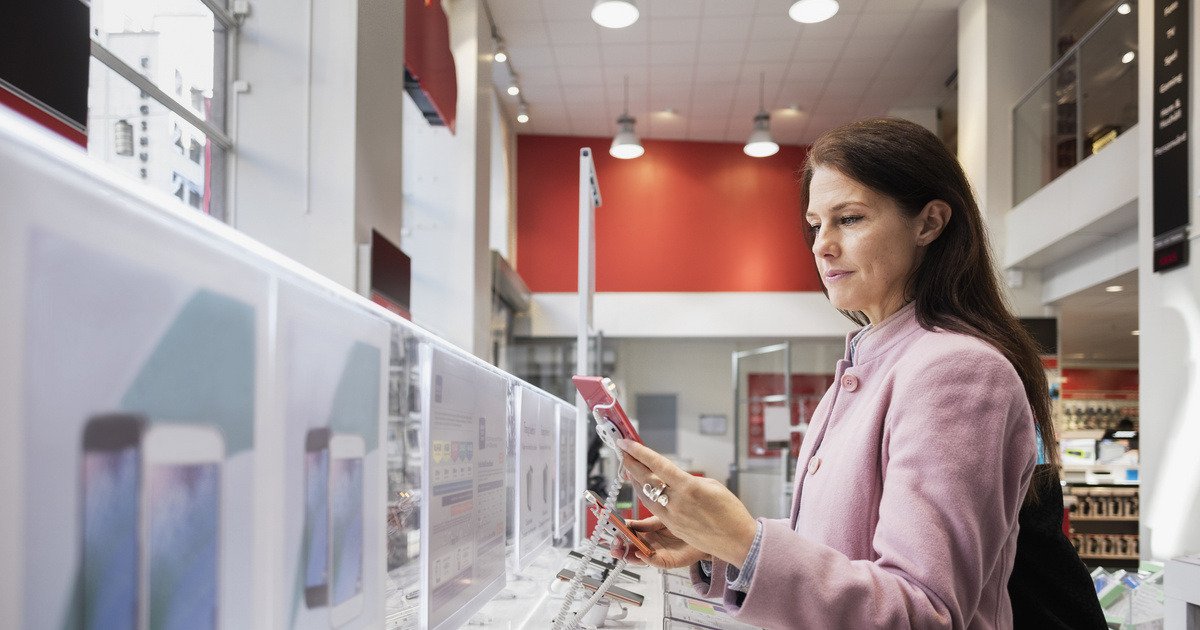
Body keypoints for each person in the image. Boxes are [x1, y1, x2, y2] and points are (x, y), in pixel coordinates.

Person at [609, 119, 1101, 629]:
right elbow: (842, 546)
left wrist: (746, 543)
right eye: (815, 225)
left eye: (848, 218)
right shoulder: (868, 363)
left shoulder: (959, 371)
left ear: (929, 223)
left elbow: (922, 612)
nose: (821, 245)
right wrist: (720, 544)